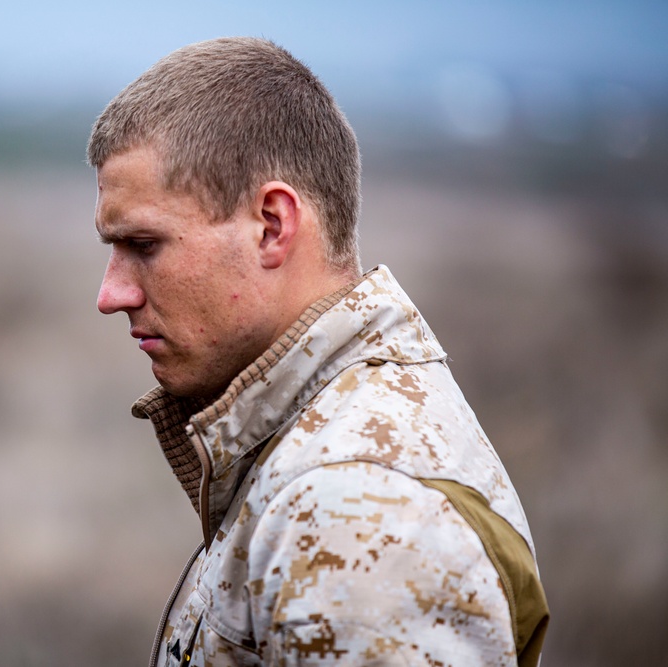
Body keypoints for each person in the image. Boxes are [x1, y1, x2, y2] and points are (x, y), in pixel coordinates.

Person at [88, 37, 549, 667]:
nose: (112, 293)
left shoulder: (359, 506)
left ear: (273, 226)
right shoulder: (313, 447)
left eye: (144, 244)